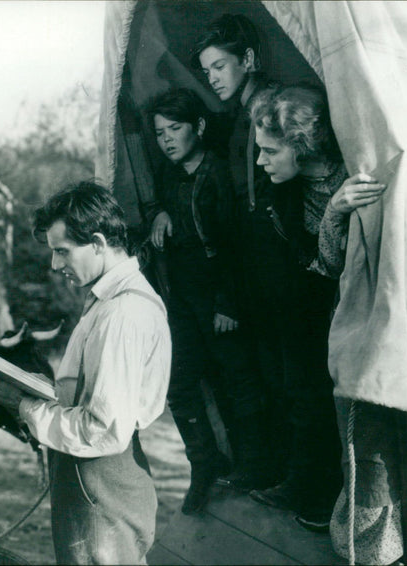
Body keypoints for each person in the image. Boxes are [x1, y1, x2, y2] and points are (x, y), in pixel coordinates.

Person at [0, 181, 171, 565]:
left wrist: (24, 405)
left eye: (62, 252)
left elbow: (103, 428)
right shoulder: (106, 301)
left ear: (97, 242)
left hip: (103, 483)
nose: (54, 265)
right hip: (91, 477)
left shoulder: (123, 314)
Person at [246, 84, 387, 532]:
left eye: (269, 151)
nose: (259, 161)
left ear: (301, 146)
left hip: (357, 314)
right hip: (308, 311)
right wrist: (334, 213)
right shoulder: (284, 192)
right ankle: (309, 490)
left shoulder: (355, 169)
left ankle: (333, 501)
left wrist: (338, 208)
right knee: (302, 398)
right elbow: (322, 264)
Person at [143, 88, 272, 513]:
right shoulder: (167, 172)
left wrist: (227, 304)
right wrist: (158, 212)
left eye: (175, 129)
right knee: (179, 384)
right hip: (179, 298)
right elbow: (163, 205)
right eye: (160, 132)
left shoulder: (219, 173)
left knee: (239, 382)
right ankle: (204, 462)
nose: (166, 139)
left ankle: (257, 469)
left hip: (220, 295)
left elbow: (238, 246)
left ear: (198, 127)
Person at [194, 14, 292, 486]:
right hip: (259, 272)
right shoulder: (238, 117)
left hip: (280, 271)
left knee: (290, 381)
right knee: (268, 379)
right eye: (206, 70)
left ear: (248, 60)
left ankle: (303, 491)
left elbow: (269, 206)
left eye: (218, 66)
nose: (211, 78)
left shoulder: (271, 112)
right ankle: (274, 476)